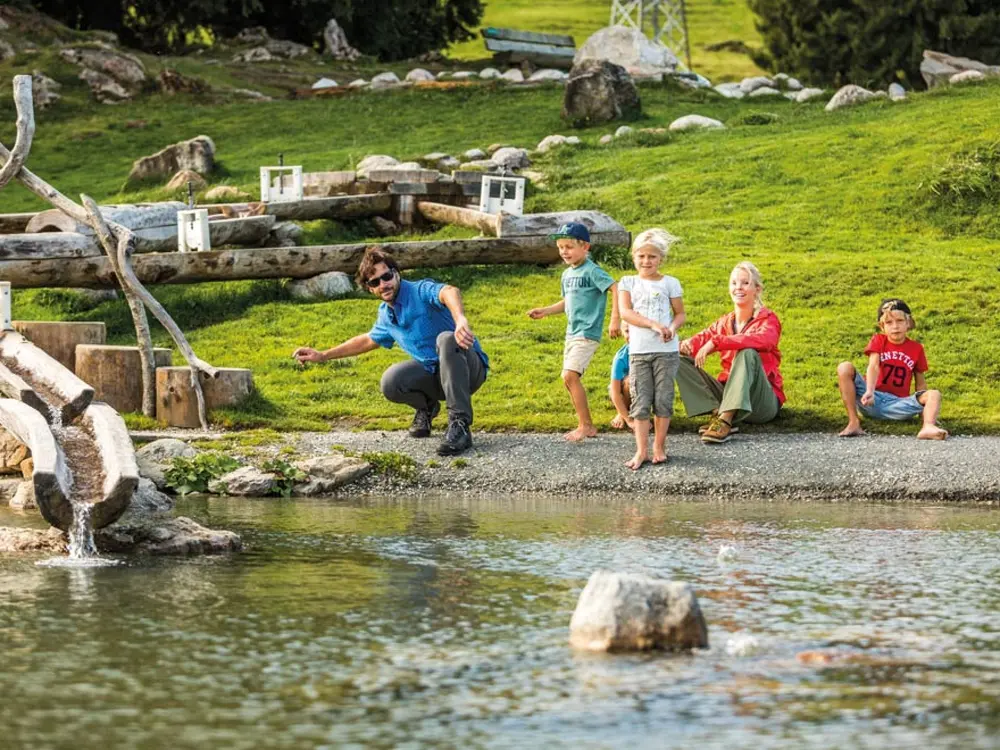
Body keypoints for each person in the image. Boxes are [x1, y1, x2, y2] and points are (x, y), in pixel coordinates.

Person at [292, 247, 488, 456]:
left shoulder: (419, 290)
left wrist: (460, 320)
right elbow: (367, 340)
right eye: (375, 282)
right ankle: (427, 408)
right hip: (437, 376)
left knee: (447, 339)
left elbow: (449, 291)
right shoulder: (386, 314)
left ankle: (459, 424)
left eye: (386, 277)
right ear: (370, 289)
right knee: (391, 381)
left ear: (397, 273)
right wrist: (323, 355)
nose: (383, 284)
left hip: (467, 370)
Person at [527, 222, 621, 442]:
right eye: (561, 247)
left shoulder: (592, 270)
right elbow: (567, 302)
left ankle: (586, 426)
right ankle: (585, 423)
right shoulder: (567, 275)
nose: (564, 252)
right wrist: (547, 311)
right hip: (572, 333)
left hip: (587, 332)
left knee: (570, 375)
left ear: (585, 247)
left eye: (569, 246)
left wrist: (615, 319)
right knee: (568, 379)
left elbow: (615, 287)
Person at [677, 261, 784, 444]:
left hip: (761, 403)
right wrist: (685, 345)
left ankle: (725, 420)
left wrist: (718, 342)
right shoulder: (725, 322)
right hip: (728, 394)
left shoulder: (768, 319)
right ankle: (717, 412)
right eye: (734, 283)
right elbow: (701, 339)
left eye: (745, 283)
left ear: (757, 289)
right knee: (678, 359)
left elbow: (765, 340)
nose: (738, 288)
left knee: (748, 352)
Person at [618, 229, 685, 469]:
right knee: (641, 400)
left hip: (666, 352)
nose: (646, 261)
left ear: (661, 259)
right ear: (634, 257)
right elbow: (626, 312)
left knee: (664, 399)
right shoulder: (627, 282)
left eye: (652, 257)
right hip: (639, 351)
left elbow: (680, 314)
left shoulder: (671, 283)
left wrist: (672, 328)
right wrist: (653, 324)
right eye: (641, 256)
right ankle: (640, 451)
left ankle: (659, 446)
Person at [836, 298, 947, 440]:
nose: (895, 326)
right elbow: (873, 366)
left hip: (898, 404)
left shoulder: (916, 348)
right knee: (845, 367)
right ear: (882, 326)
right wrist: (869, 391)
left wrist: (923, 414)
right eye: (889, 322)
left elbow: (920, 383)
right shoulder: (879, 340)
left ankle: (928, 426)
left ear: (908, 323)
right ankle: (853, 422)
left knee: (934, 394)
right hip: (871, 398)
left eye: (900, 321)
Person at [609, 323, 632, 430]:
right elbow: (615, 392)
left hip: (643, 392)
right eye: (627, 331)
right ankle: (622, 413)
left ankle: (640, 416)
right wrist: (629, 420)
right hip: (622, 392)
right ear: (622, 333)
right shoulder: (621, 357)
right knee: (630, 380)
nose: (631, 335)